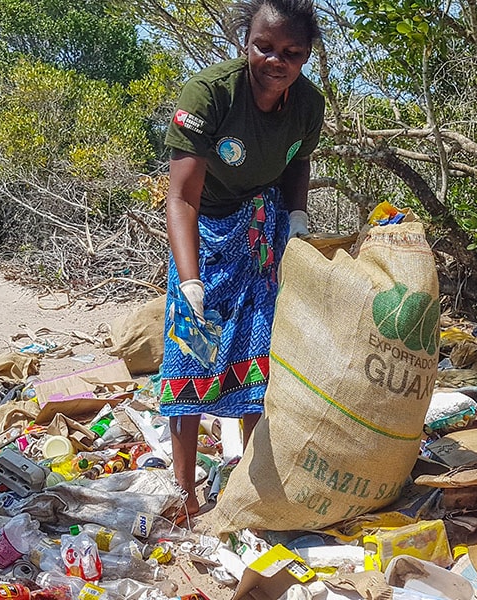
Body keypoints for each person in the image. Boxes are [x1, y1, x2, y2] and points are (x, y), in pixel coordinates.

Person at [160, 0, 325, 521]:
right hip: (205, 231)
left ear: (305, 57)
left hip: (262, 230)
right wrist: (189, 282)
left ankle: (251, 486)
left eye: (292, 53)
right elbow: (181, 199)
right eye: (265, 47)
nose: (277, 61)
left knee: (259, 361)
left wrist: (296, 218)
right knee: (190, 352)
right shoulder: (209, 95)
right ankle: (186, 494)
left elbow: (297, 164)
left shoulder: (307, 103)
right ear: (245, 42)